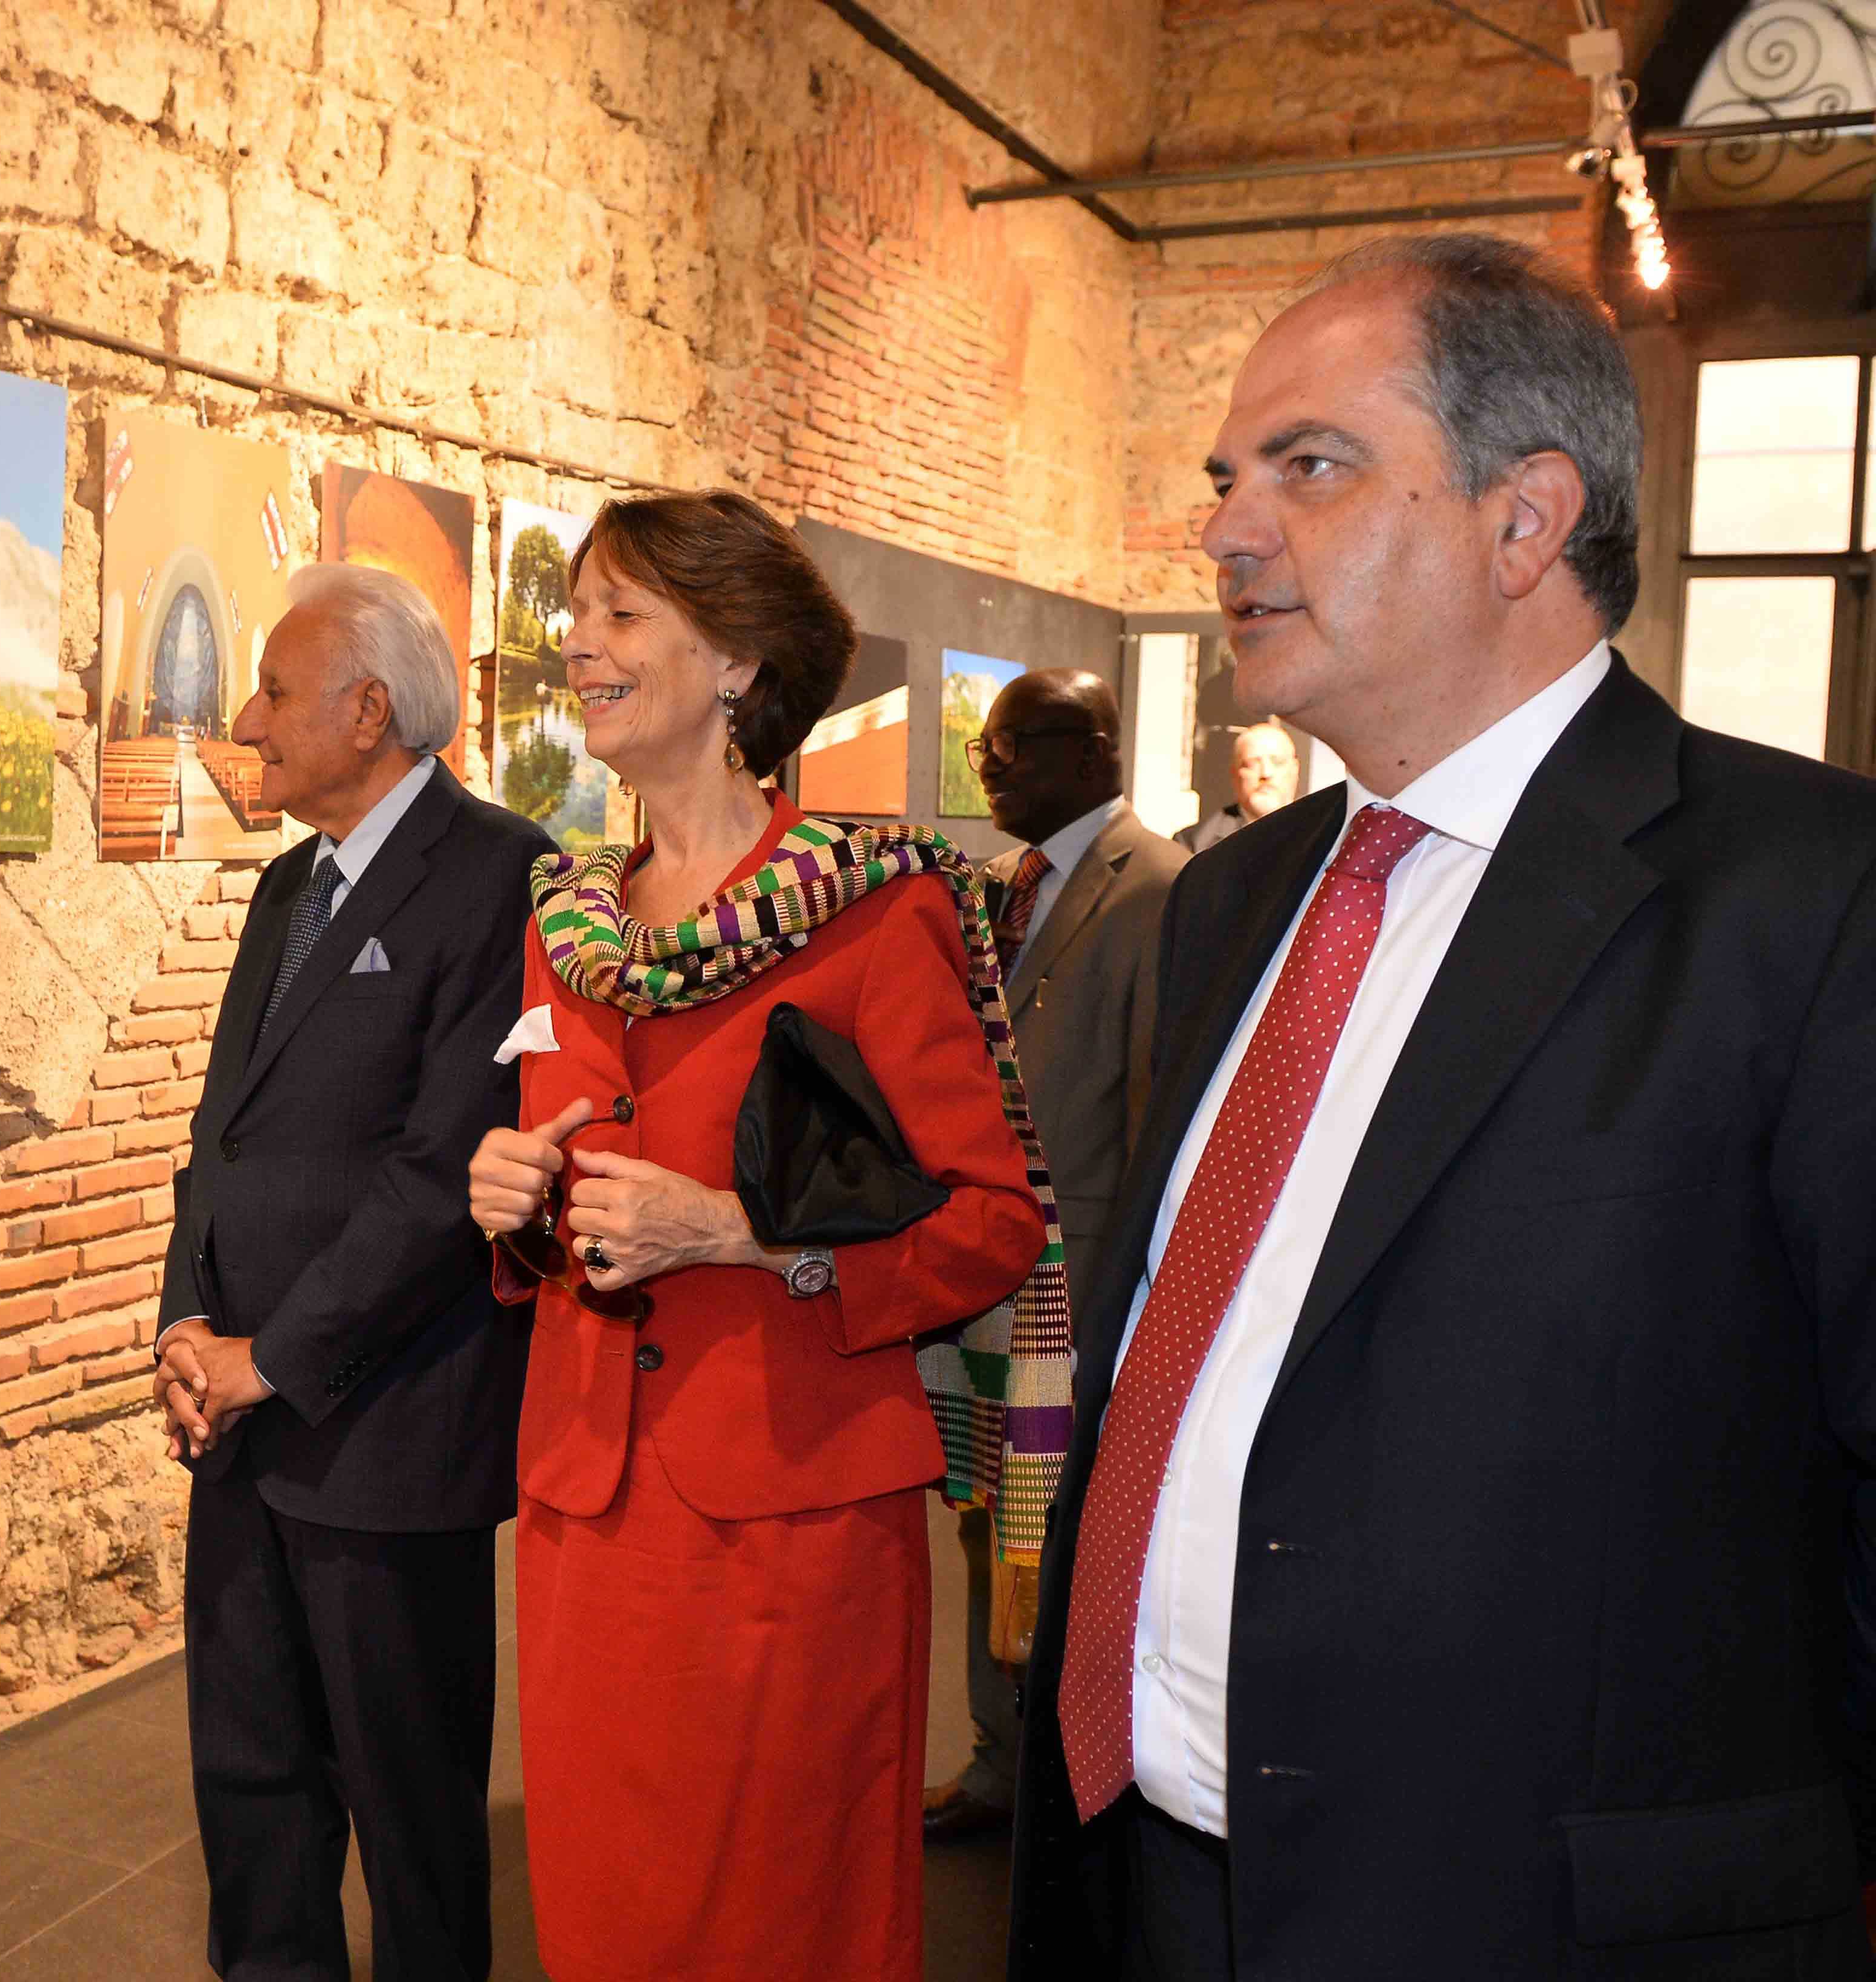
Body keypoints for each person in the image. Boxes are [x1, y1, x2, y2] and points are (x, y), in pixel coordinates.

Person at [1007, 232, 1876, 1980]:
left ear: (1524, 520)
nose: (1228, 530)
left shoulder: (1809, 897)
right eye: (1228, 477)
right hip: (1147, 1878)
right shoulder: (1233, 903)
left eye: (1312, 466)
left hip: (1537, 1921)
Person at [463, 489, 1054, 1981]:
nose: (577, 644)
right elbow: (575, 1199)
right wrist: (515, 1209)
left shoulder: (873, 910)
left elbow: (992, 1224)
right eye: (576, 612)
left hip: (791, 1527)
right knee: (604, 1913)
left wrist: (742, 1234)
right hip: (591, 1516)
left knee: (783, 1921)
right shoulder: (568, 921)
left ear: (736, 661)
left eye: (620, 613)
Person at [154, 562, 548, 1982]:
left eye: (274, 691)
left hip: (389, 1430)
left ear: (369, 709)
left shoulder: (502, 875)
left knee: (412, 1810)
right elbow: (221, 1135)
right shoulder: (286, 887)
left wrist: (271, 1358)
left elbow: (444, 1174)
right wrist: (188, 1322)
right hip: (242, 1425)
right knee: (251, 1782)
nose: (247, 721)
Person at [923, 667, 1185, 1846]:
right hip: (977, 1275)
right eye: (984, 744)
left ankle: (1072, 1785)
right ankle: (998, 1761)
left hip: (1075, 1290)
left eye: (1014, 741)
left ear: (1092, 749)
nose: (989, 764)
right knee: (986, 1521)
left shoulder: (1157, 888)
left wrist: (1129, 1311)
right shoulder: (996, 886)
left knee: (1071, 1539)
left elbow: (1148, 1115)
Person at [1176, 720, 1301, 853]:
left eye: (1277, 762)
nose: (1266, 773)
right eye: (1251, 764)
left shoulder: (1316, 829)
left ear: (1295, 770)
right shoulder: (1193, 844)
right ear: (1235, 774)